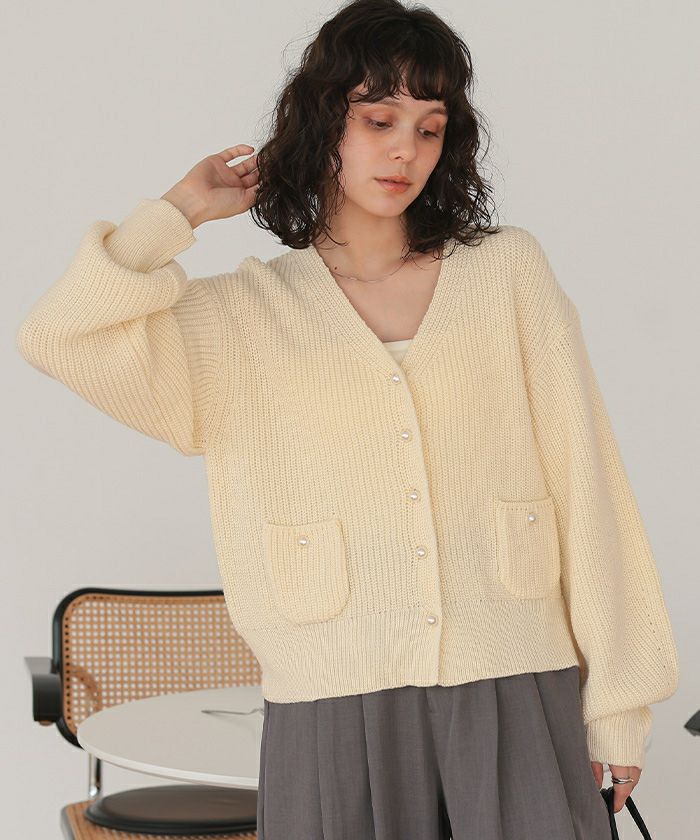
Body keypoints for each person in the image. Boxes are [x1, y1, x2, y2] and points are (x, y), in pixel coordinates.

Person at [16, 1, 679, 838]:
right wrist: (177, 212)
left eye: (430, 128)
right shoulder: (241, 317)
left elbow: (590, 484)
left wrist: (618, 705)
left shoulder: (506, 274)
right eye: (378, 120)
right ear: (323, 121)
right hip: (334, 705)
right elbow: (58, 335)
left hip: (513, 682)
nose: (406, 150)